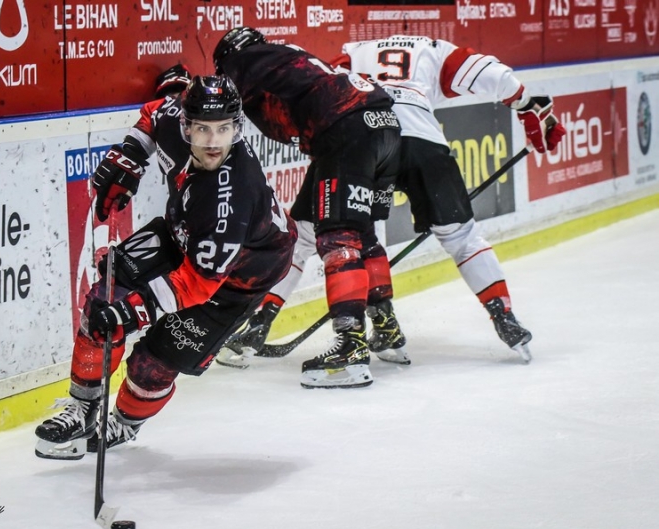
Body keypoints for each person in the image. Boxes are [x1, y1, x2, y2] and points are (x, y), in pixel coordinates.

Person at [217, 34, 568, 368]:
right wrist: (526, 105)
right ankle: (505, 318)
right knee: (461, 237)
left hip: (362, 128)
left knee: (317, 233)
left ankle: (260, 325)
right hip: (419, 141)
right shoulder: (434, 48)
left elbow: (328, 89)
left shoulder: (353, 51)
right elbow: (495, 76)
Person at [34, 75, 296, 459]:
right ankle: (82, 408)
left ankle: (123, 423)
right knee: (102, 299)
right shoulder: (175, 118)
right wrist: (131, 153)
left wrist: (130, 312)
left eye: (223, 130)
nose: (212, 142)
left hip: (234, 278)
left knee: (150, 365)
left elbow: (197, 284)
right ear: (186, 125)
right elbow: (154, 113)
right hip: (182, 234)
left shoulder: (232, 198)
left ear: (237, 129)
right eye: (203, 129)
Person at [213, 27, 403, 389]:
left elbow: (213, 94)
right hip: (384, 128)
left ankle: (350, 347)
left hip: (347, 131)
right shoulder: (292, 61)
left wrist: (178, 88)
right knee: (352, 232)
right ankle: (386, 328)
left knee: (337, 236)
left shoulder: (249, 59)